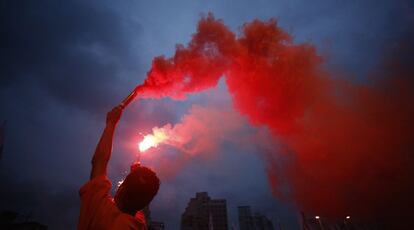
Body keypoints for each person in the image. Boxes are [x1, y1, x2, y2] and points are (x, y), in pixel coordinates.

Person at [78, 105, 160, 230]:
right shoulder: (139, 224)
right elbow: (139, 198)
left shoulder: (100, 211)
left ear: (121, 189)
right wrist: (135, 175)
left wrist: (111, 123)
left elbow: (99, 161)